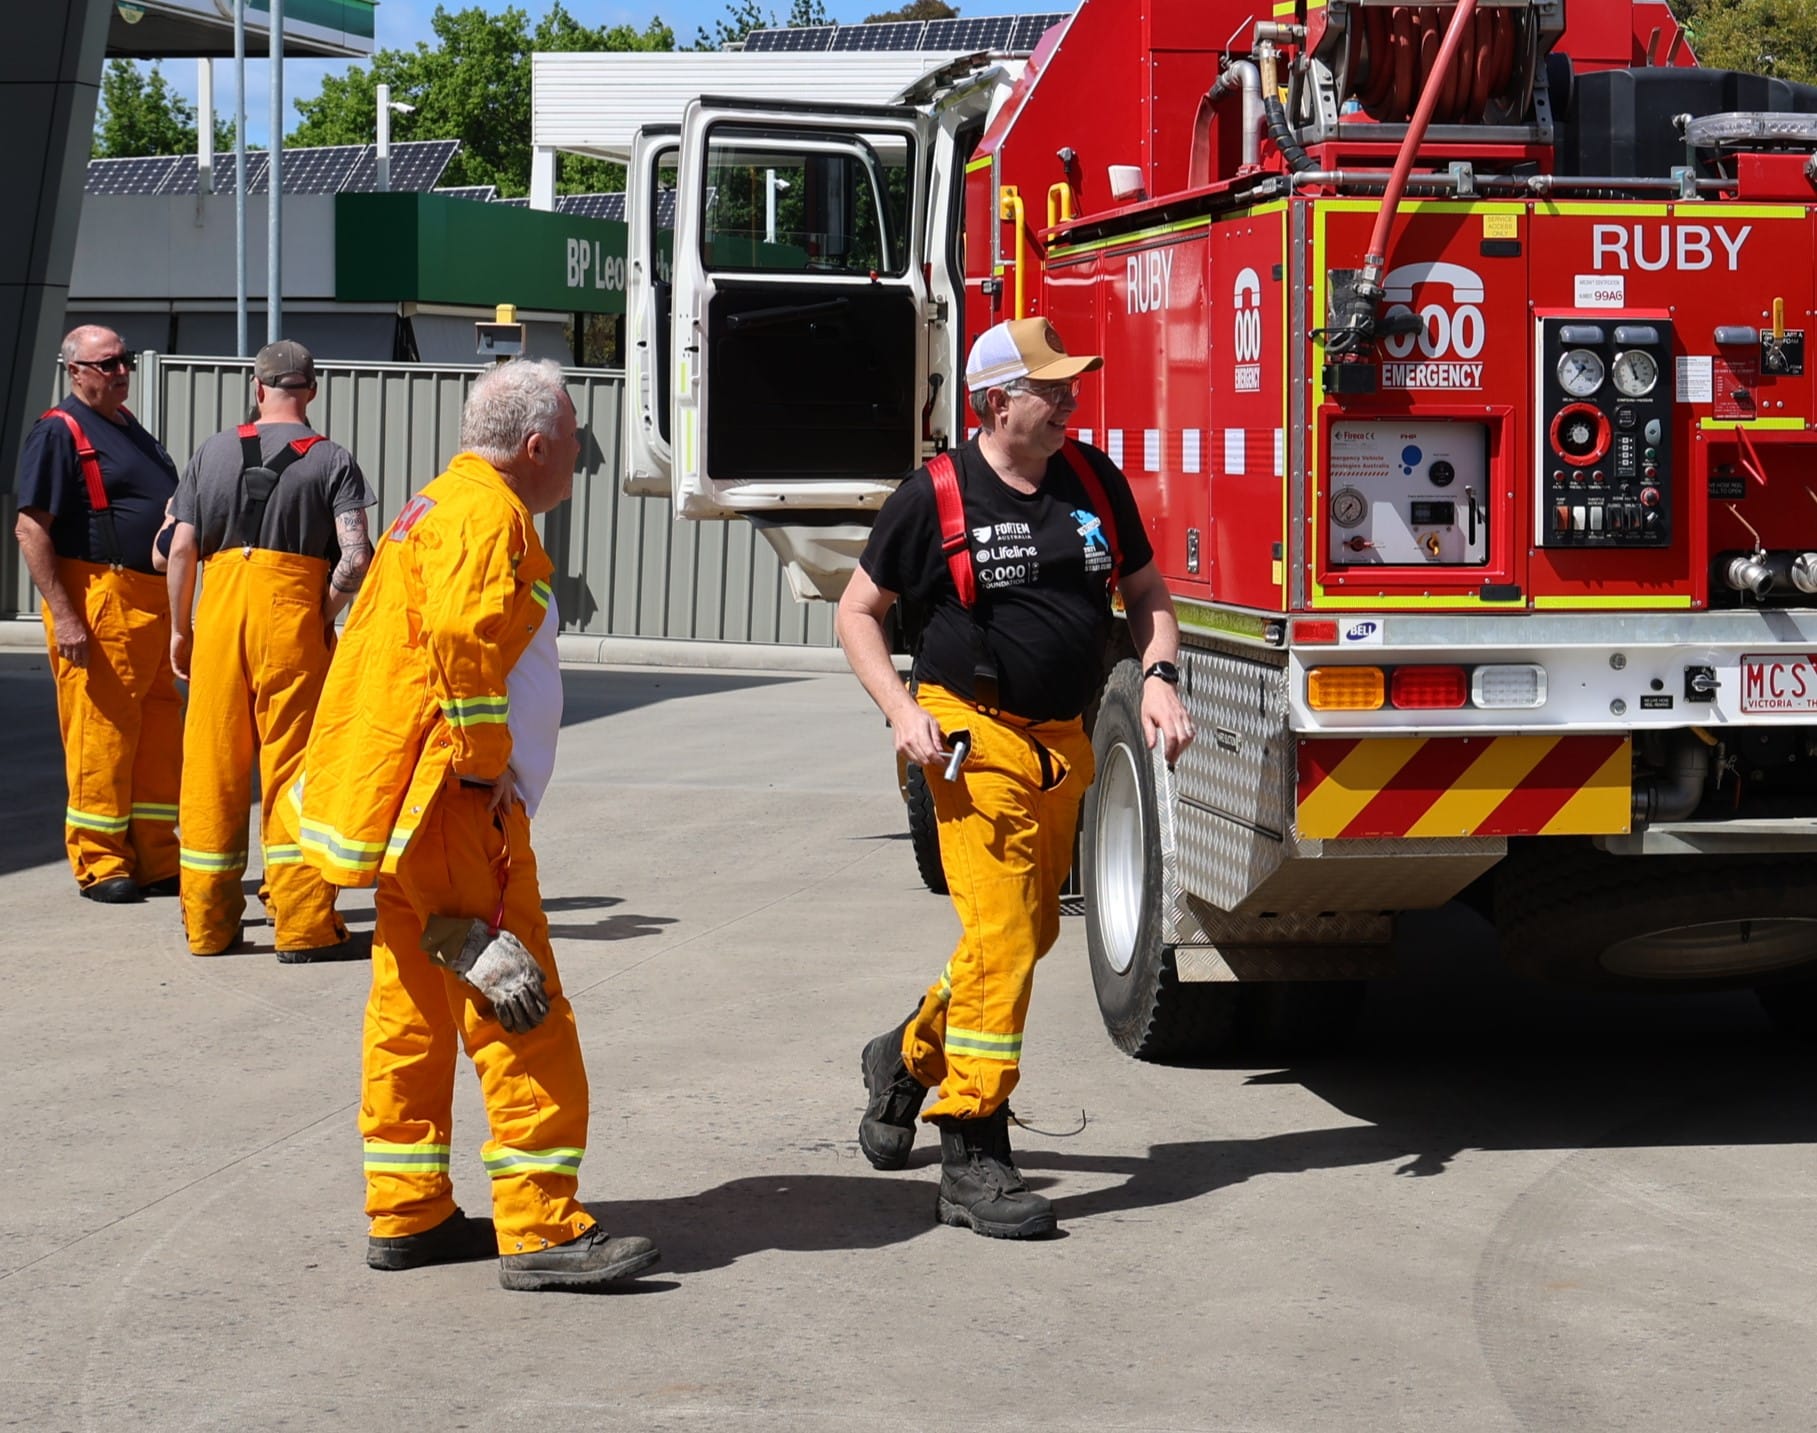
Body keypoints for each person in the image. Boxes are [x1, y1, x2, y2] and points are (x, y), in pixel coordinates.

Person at [297, 358, 659, 1290]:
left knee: (412, 1003)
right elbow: (461, 639)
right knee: (515, 993)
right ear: (535, 446)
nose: (579, 458)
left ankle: (407, 1211)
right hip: (451, 805)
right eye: (574, 441)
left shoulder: (437, 505)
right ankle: (540, 1226)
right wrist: (485, 761)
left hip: (411, 805)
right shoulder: (485, 516)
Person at [835, 316, 1195, 1239]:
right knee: (999, 931)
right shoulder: (934, 495)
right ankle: (972, 1147)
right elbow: (857, 612)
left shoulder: (1092, 479)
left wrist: (1159, 675)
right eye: (1051, 387)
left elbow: (1146, 592)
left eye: (1071, 384)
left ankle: (904, 1057)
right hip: (968, 735)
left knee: (1030, 931)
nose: (1070, 399)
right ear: (997, 400)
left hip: (1060, 741)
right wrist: (900, 710)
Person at [165, 340, 375, 961]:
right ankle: (304, 925)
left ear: (257, 390)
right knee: (294, 769)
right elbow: (356, 558)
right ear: (312, 390)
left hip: (219, 618)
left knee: (212, 766)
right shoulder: (332, 459)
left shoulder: (211, 452)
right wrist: (321, 613)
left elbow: (180, 549)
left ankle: (209, 926)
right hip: (291, 622)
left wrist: (180, 630)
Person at [12, 325, 181, 903]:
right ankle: (101, 861)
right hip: (101, 600)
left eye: (123, 360)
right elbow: (30, 529)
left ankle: (156, 856)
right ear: (75, 371)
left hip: (149, 603)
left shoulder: (127, 426)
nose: (120, 371)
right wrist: (65, 617)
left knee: (158, 735)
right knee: (101, 734)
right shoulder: (58, 432)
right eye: (106, 364)